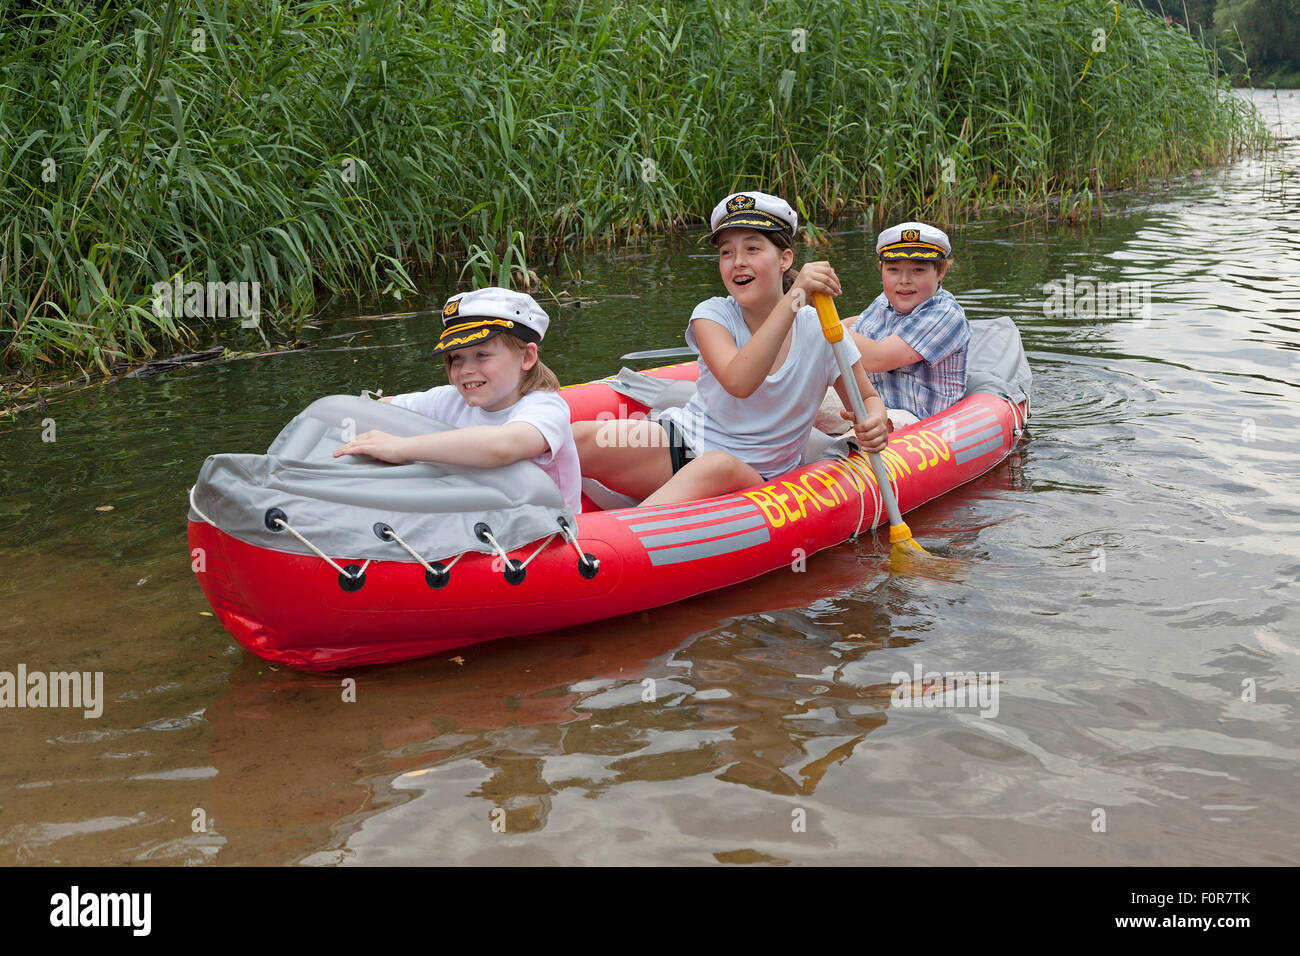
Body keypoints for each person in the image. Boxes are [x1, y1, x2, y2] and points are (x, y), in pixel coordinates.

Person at [574, 191, 889, 507]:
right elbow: (740, 380)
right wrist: (795, 296)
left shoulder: (822, 328)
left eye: (752, 248)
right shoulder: (711, 314)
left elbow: (866, 399)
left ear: (785, 259)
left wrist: (875, 420)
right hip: (684, 442)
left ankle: (620, 545)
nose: (738, 262)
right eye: (727, 253)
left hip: (753, 474)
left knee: (716, 466)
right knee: (577, 438)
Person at [332, 287, 582, 513]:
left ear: (527, 357)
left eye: (482, 354)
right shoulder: (449, 399)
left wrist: (400, 447)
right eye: (456, 358)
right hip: (479, 520)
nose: (465, 370)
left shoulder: (545, 407)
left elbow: (503, 446)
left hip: (550, 532)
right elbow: (379, 409)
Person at [842, 222, 970, 428]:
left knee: (875, 429)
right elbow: (860, 322)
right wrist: (818, 324)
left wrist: (826, 327)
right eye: (893, 270)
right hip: (876, 404)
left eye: (918, 270)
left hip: (917, 420)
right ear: (881, 269)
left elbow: (878, 359)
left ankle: (840, 454)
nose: (904, 280)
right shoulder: (885, 301)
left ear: (941, 271)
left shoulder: (945, 314)